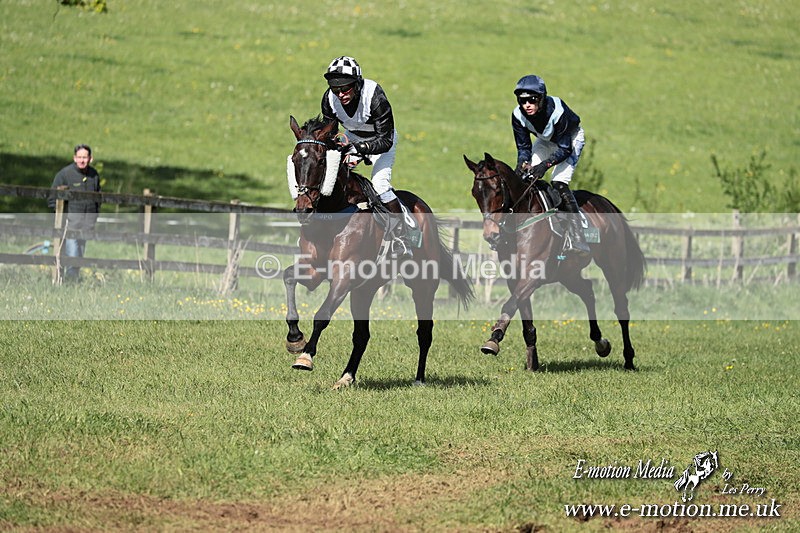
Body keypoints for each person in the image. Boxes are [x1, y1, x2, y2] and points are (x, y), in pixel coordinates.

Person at [321, 55, 412, 257]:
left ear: (358, 84)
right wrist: (340, 146)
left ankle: (402, 236)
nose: (341, 94)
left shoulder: (374, 96)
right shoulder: (329, 99)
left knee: (380, 184)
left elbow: (385, 140)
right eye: (336, 90)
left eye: (346, 88)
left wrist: (359, 149)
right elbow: (330, 135)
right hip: (353, 137)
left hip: (382, 139)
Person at [511, 74, 590, 255]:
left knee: (558, 182)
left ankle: (579, 237)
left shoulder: (558, 112)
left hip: (570, 140)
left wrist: (544, 165)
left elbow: (564, 149)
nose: (527, 105)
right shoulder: (517, 116)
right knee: (525, 178)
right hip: (546, 140)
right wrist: (522, 164)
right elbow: (523, 147)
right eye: (522, 101)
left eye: (531, 100)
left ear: (541, 98)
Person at [48, 144, 101, 281]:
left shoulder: (94, 175)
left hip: (86, 225)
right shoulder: (65, 174)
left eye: (85, 157)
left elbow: (98, 199)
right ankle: (70, 284)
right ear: (74, 158)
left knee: (79, 257)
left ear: (90, 158)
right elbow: (52, 198)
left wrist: (94, 218)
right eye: (79, 157)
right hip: (69, 225)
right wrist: (61, 218)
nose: (82, 160)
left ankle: (70, 282)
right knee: (72, 256)